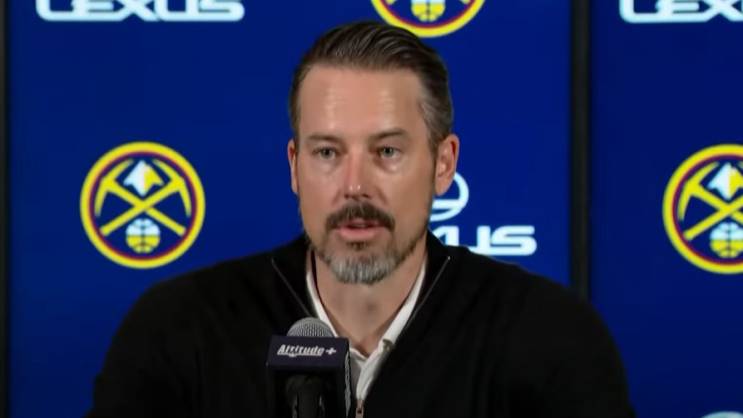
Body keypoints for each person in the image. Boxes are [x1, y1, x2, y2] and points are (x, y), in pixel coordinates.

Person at [87, 21, 634, 418]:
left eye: (387, 151)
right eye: (328, 152)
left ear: (443, 164)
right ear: (295, 166)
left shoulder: (547, 336)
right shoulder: (181, 330)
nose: (355, 186)